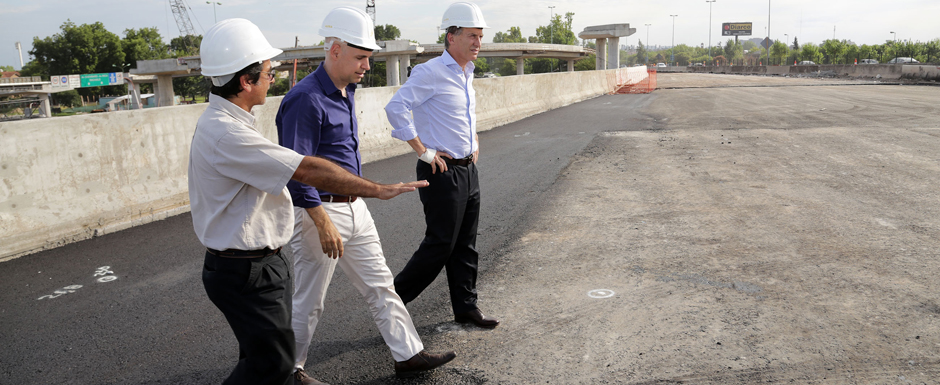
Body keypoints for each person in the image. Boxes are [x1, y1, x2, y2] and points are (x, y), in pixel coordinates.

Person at [189, 18, 427, 385]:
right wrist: (375, 190)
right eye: (268, 72)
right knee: (274, 358)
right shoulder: (231, 132)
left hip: (259, 261)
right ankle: (294, 372)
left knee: (267, 356)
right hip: (246, 266)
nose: (275, 77)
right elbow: (306, 169)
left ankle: (406, 354)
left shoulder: (235, 122)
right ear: (245, 81)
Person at [275, 7, 455, 384]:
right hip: (319, 213)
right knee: (309, 300)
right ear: (334, 49)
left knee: (381, 285)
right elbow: (296, 171)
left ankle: (408, 355)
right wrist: (322, 222)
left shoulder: (345, 90)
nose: (365, 66)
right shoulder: (305, 99)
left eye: (368, 58)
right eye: (360, 57)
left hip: (355, 209)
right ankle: (289, 371)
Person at [384, 2, 499, 329]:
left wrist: (473, 139)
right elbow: (396, 108)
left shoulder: (467, 73)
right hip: (440, 171)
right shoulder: (430, 72)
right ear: (451, 37)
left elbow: (462, 115)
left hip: (468, 170)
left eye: (480, 36)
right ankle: (391, 304)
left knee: (466, 243)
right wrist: (422, 151)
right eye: (472, 36)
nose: (478, 42)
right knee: (439, 245)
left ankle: (465, 308)